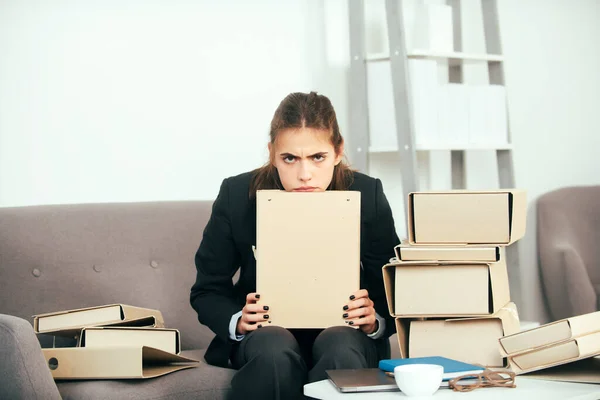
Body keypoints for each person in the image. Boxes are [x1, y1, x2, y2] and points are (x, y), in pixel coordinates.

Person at [190, 91, 400, 400]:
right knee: (272, 349)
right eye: (290, 158)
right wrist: (238, 320)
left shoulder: (367, 193)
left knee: (340, 347)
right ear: (272, 153)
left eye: (318, 158)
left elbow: (394, 285)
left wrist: (375, 319)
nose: (304, 175)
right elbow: (207, 289)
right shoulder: (236, 194)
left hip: (344, 333)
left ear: (338, 151)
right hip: (265, 335)